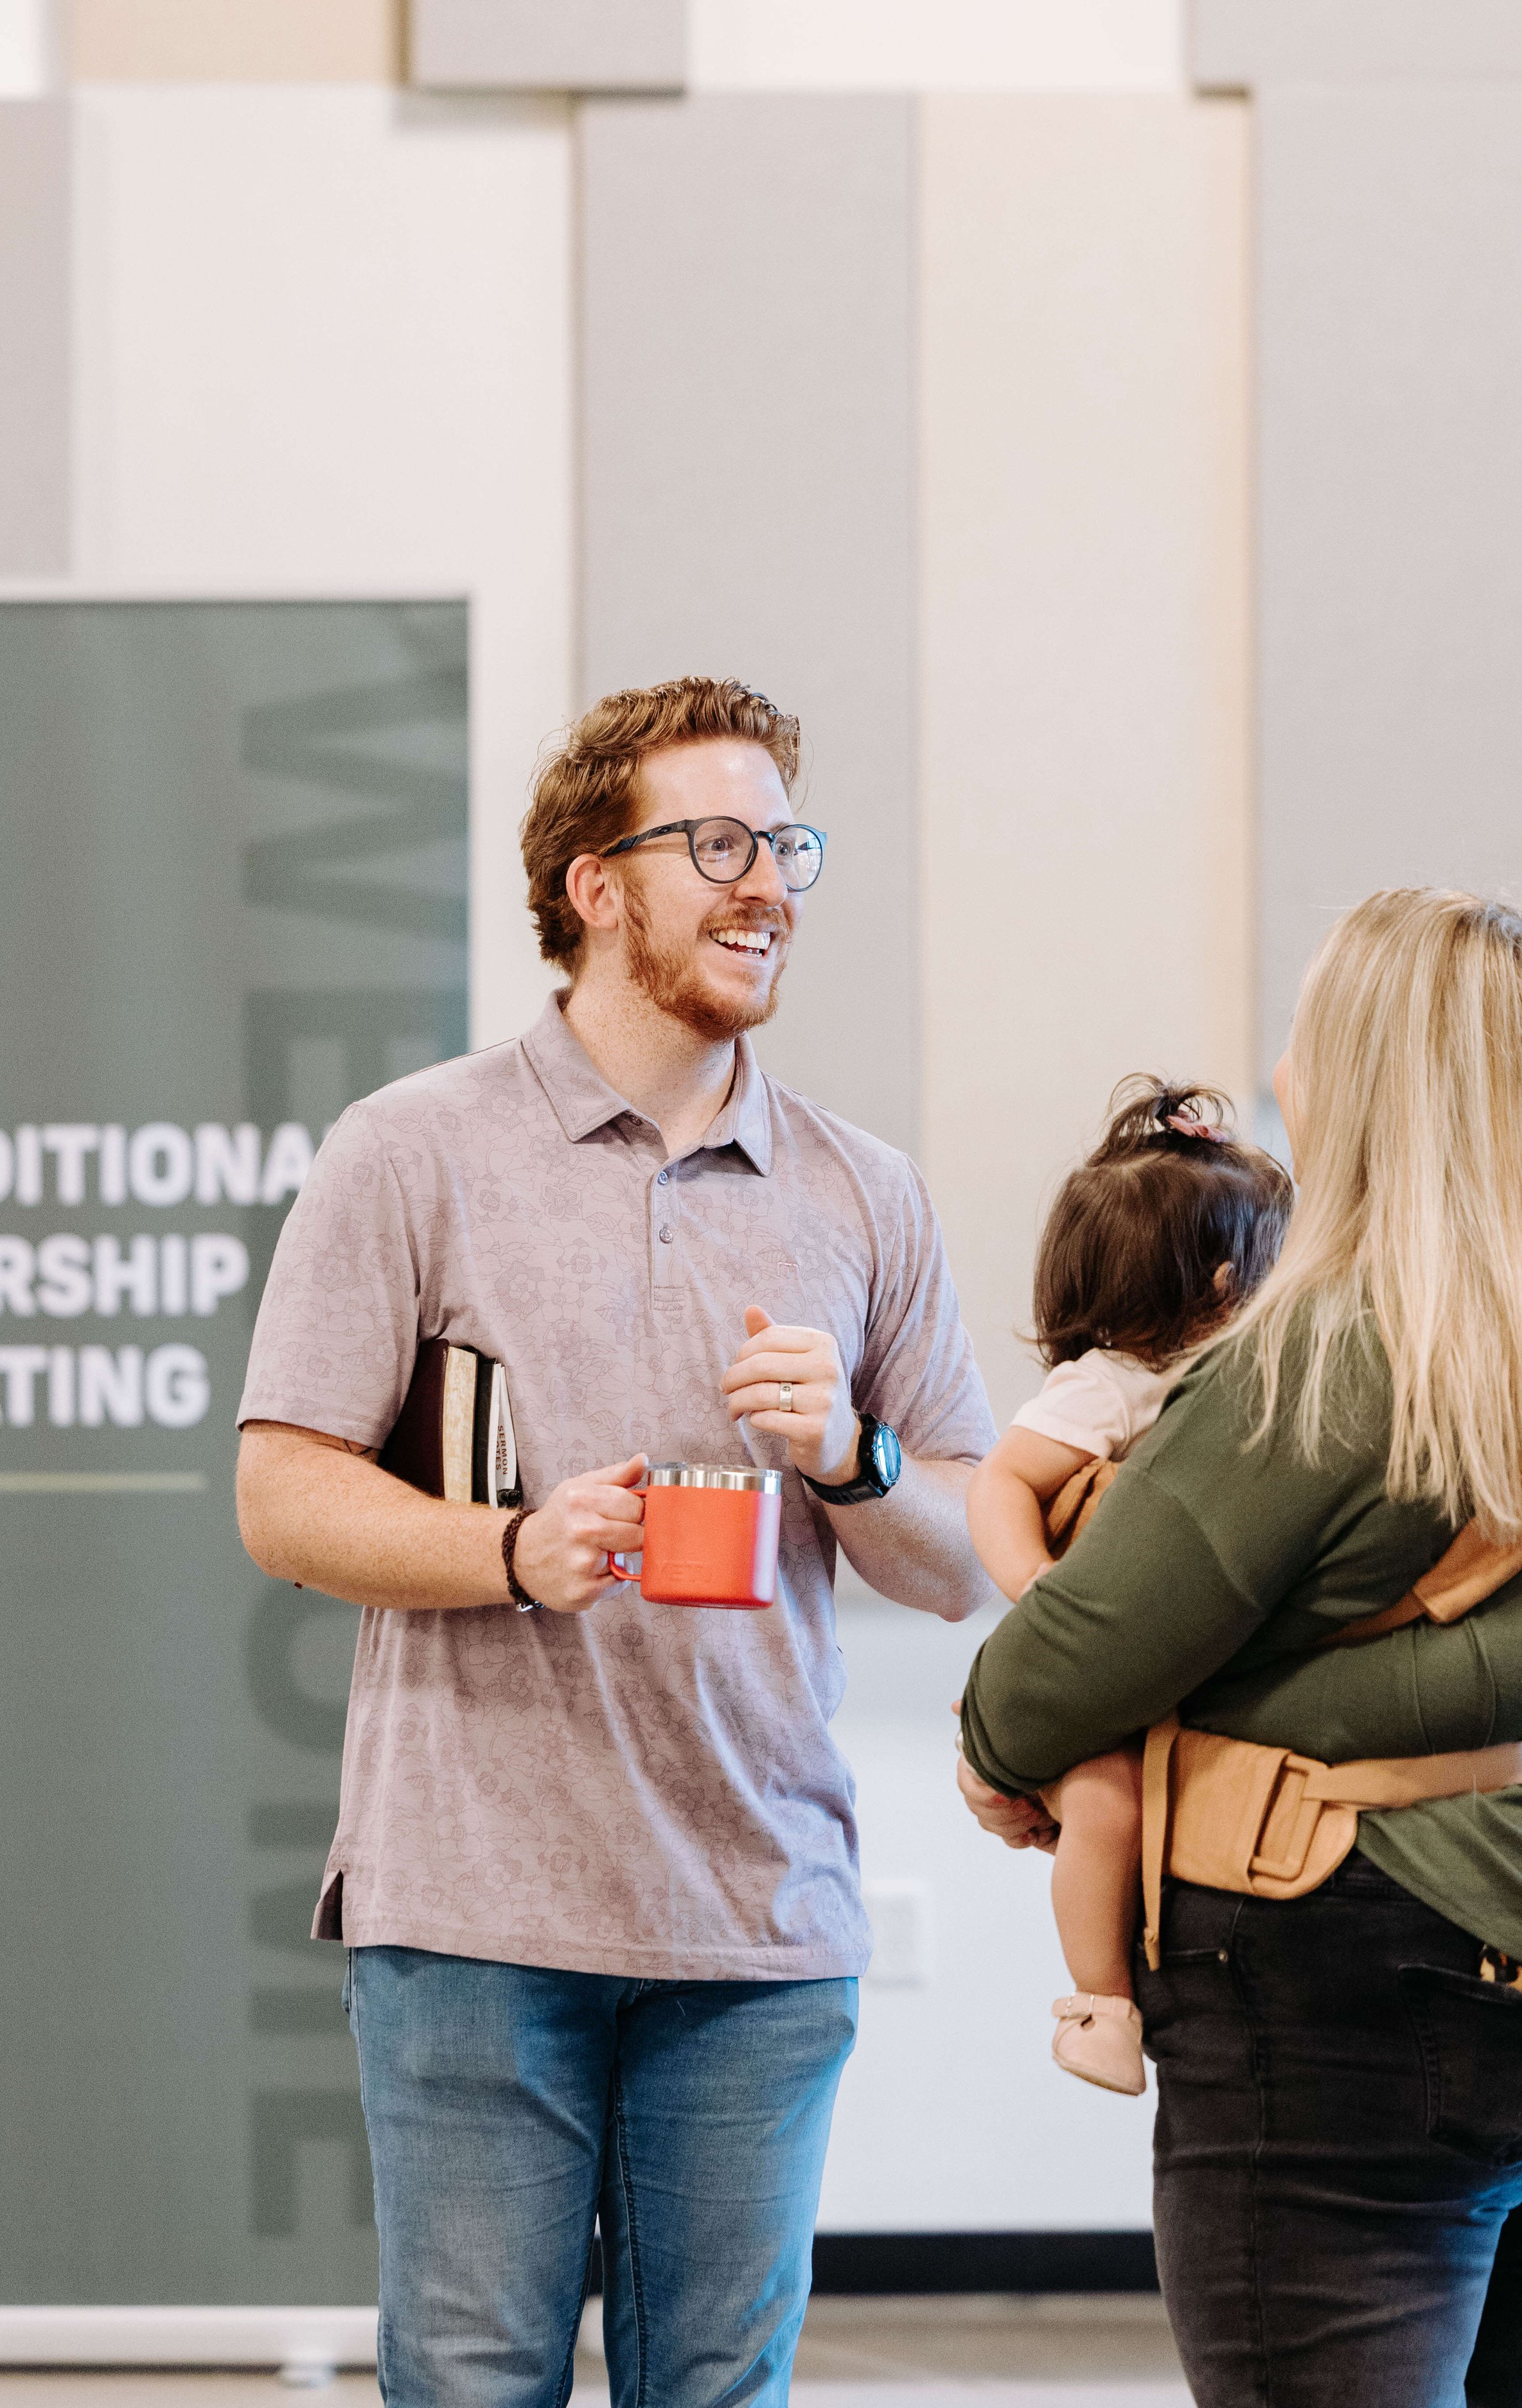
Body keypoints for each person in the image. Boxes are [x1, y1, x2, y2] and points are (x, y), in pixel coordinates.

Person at [235, 675, 996, 2408]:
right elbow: (281, 1493)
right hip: (472, 1916)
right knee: (472, 2379)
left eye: (786, 841)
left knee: (718, 2391)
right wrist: (504, 1548)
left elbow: (964, 1558)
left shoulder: (858, 1189)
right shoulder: (409, 1152)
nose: (769, 882)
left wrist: (856, 1456)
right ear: (595, 882)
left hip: (756, 1930)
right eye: (715, 841)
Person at [956, 888, 1522, 2408]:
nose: (1278, 1076)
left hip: (1334, 1987)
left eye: (1299, 1039)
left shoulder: (1319, 1358)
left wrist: (1032, 1743)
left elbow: (1049, 1680)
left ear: (1350, 1077)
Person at [966, 1078, 1290, 2095]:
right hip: (1107, 1678)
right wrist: (1043, 1587)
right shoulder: (1113, 1383)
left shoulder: (1251, 1379)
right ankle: (1099, 2000)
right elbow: (1001, 1480)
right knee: (1105, 1801)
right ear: (1232, 1283)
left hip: (1182, 1685)